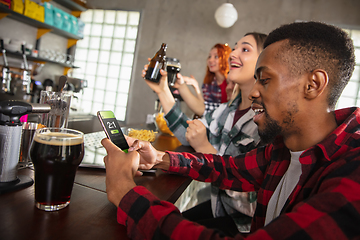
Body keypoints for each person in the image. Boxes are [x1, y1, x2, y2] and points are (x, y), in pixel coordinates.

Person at [102, 21, 359, 239]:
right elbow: (229, 168)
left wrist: (124, 190)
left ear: (313, 84)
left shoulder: (352, 176)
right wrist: (159, 158)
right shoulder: (283, 148)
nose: (256, 92)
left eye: (265, 80)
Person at [143, 32, 267, 236]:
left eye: (244, 49)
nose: (233, 54)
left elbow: (251, 200)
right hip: (220, 207)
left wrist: (204, 148)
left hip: (243, 225)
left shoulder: (264, 122)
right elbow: (189, 133)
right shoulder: (228, 109)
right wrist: (162, 91)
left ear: (264, 60)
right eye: (235, 48)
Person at [174, 43, 232, 116]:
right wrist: (196, 87)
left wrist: (182, 86)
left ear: (226, 58)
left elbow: (203, 109)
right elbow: (203, 108)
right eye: (209, 56)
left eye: (216, 56)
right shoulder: (209, 83)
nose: (211, 60)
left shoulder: (232, 82)